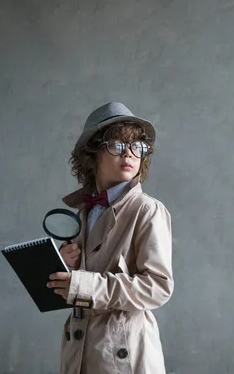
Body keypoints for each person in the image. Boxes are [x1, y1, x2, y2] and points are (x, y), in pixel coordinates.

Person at [46, 102, 174, 374]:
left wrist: (84, 284)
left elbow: (158, 286)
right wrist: (64, 267)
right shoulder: (83, 211)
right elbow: (81, 282)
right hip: (80, 350)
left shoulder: (147, 210)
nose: (129, 153)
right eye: (117, 145)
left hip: (123, 353)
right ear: (92, 154)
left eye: (137, 147)